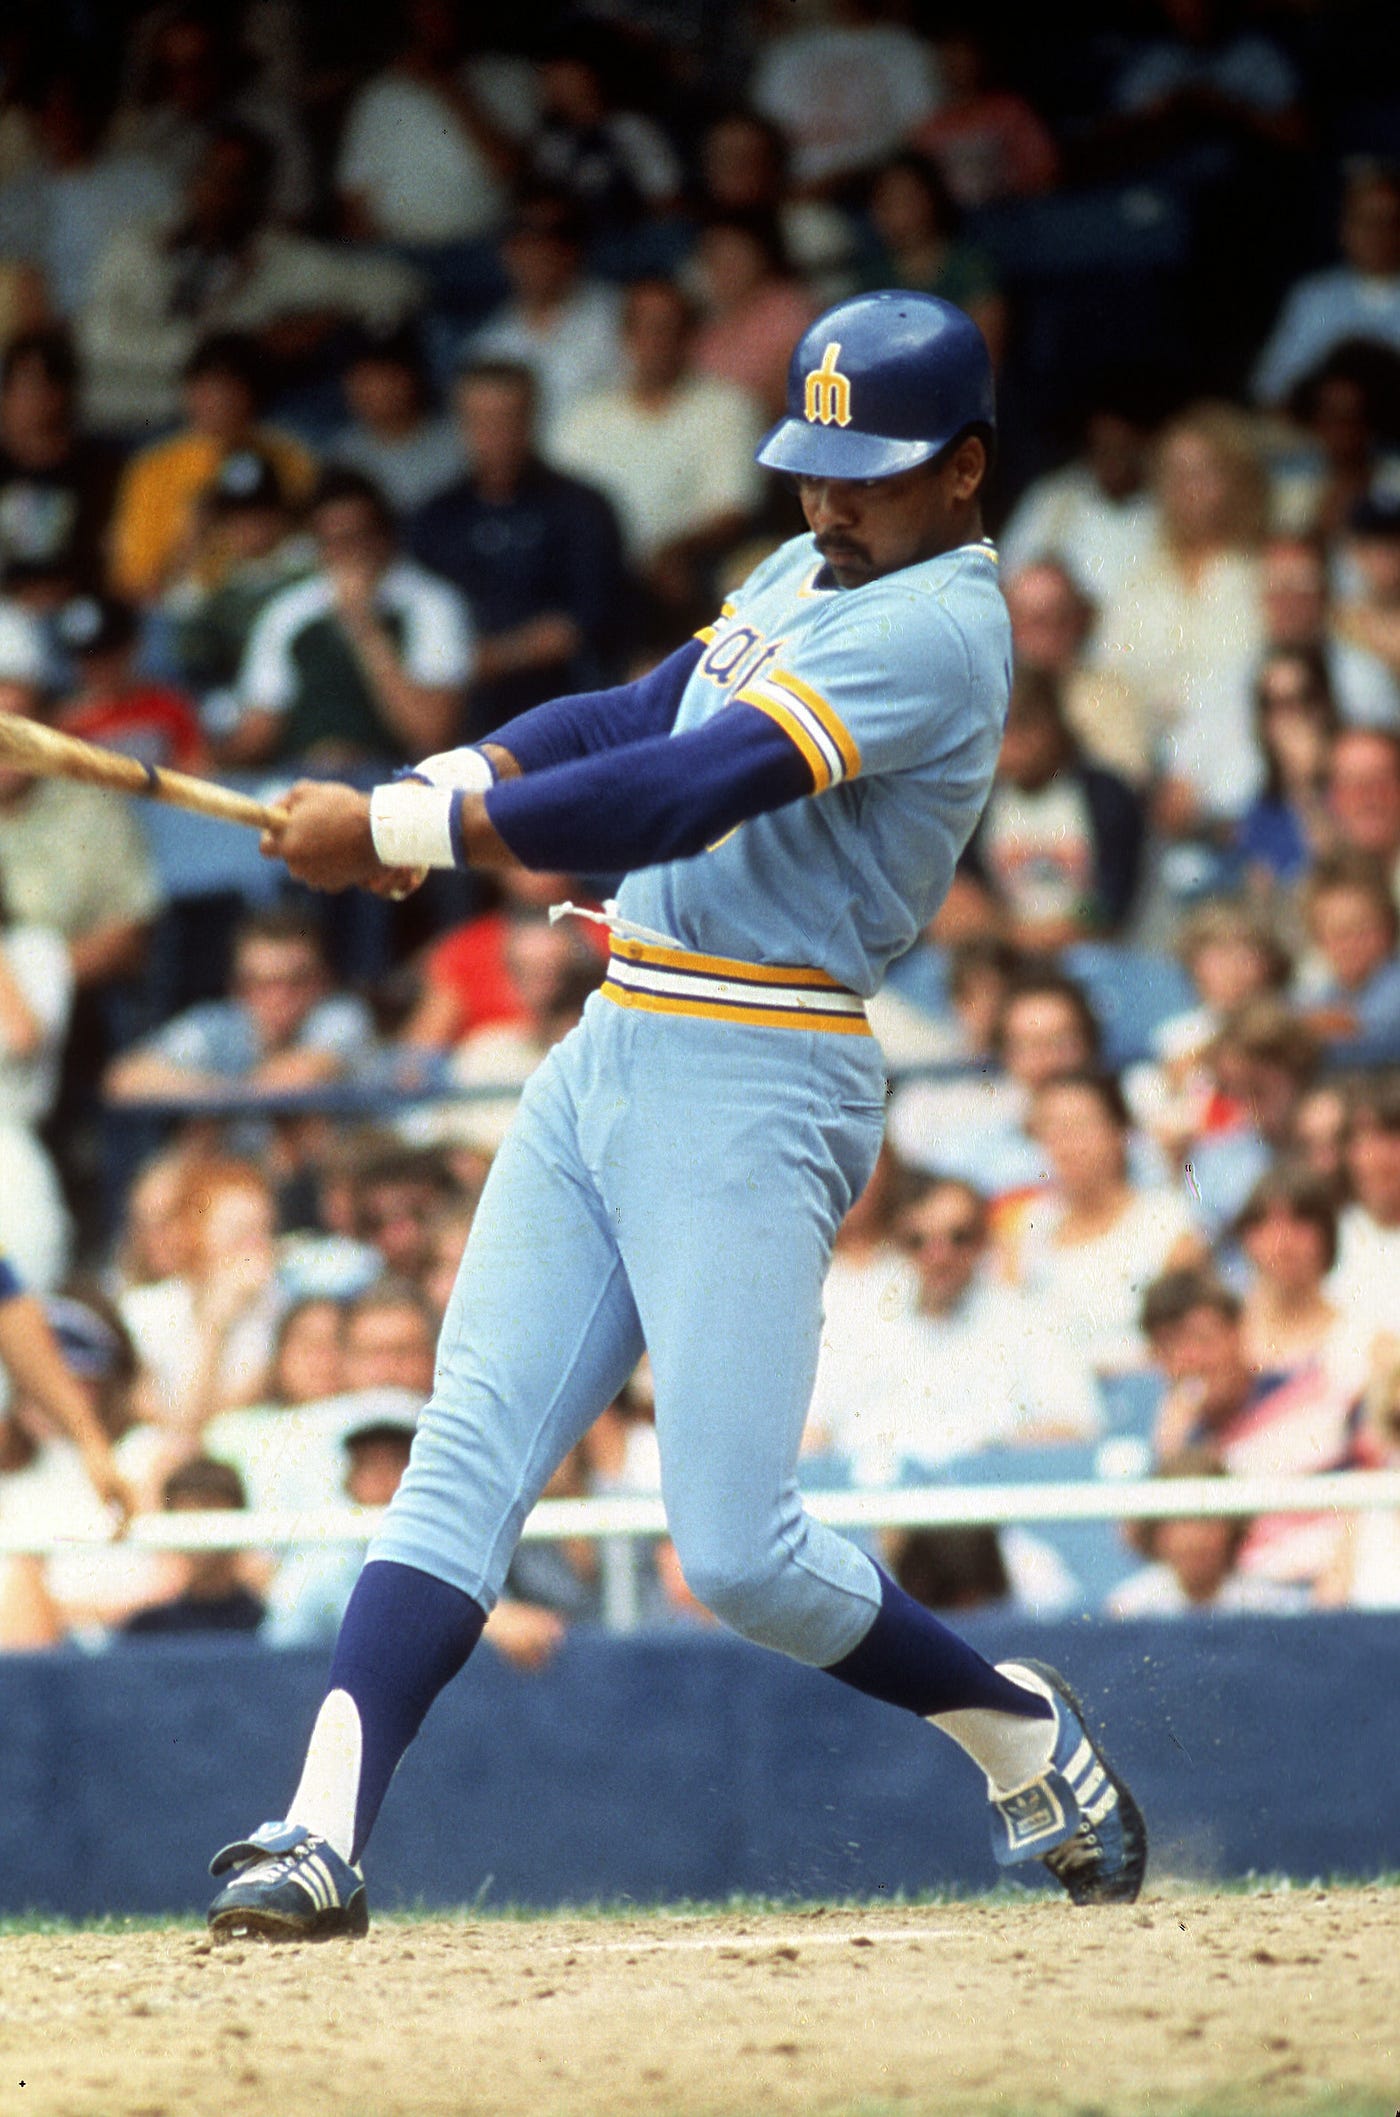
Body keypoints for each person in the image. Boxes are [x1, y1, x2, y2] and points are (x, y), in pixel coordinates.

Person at [203, 291, 1146, 1942]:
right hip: (618, 1034)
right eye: (814, 468)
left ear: (969, 471)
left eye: (870, 473)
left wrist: (413, 838)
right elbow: (635, 717)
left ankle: (1019, 1728)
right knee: (459, 1456)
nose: (830, 501)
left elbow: (687, 790)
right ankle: (315, 1832)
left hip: (761, 1071)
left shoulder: (940, 628)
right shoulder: (817, 566)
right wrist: (427, 785)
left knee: (741, 1550)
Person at [408, 359, 626, 738]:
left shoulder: (582, 506)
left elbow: (586, 622)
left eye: (508, 418)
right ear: (461, 423)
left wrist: (494, 657)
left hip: (563, 702)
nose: (495, 434)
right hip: (460, 708)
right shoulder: (434, 517)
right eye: (481, 420)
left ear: (532, 418)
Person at [223, 469, 474, 768]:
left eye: (357, 537)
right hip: (302, 775)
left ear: (384, 537)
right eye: (333, 540)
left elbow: (433, 734)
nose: (348, 552)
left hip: (396, 779)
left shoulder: (432, 604)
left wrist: (364, 625)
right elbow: (259, 731)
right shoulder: (289, 611)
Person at [107, 331, 316, 604]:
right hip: (192, 603)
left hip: (272, 589)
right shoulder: (153, 469)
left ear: (252, 393)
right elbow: (138, 584)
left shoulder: (291, 456)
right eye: (207, 391)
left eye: (229, 391)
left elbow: (311, 540)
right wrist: (191, 536)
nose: (218, 404)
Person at [1252, 161, 1400, 410]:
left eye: (1389, 221)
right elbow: (1270, 386)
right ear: (1344, 229)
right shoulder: (1313, 295)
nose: (1377, 233)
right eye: (1365, 221)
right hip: (1314, 434)